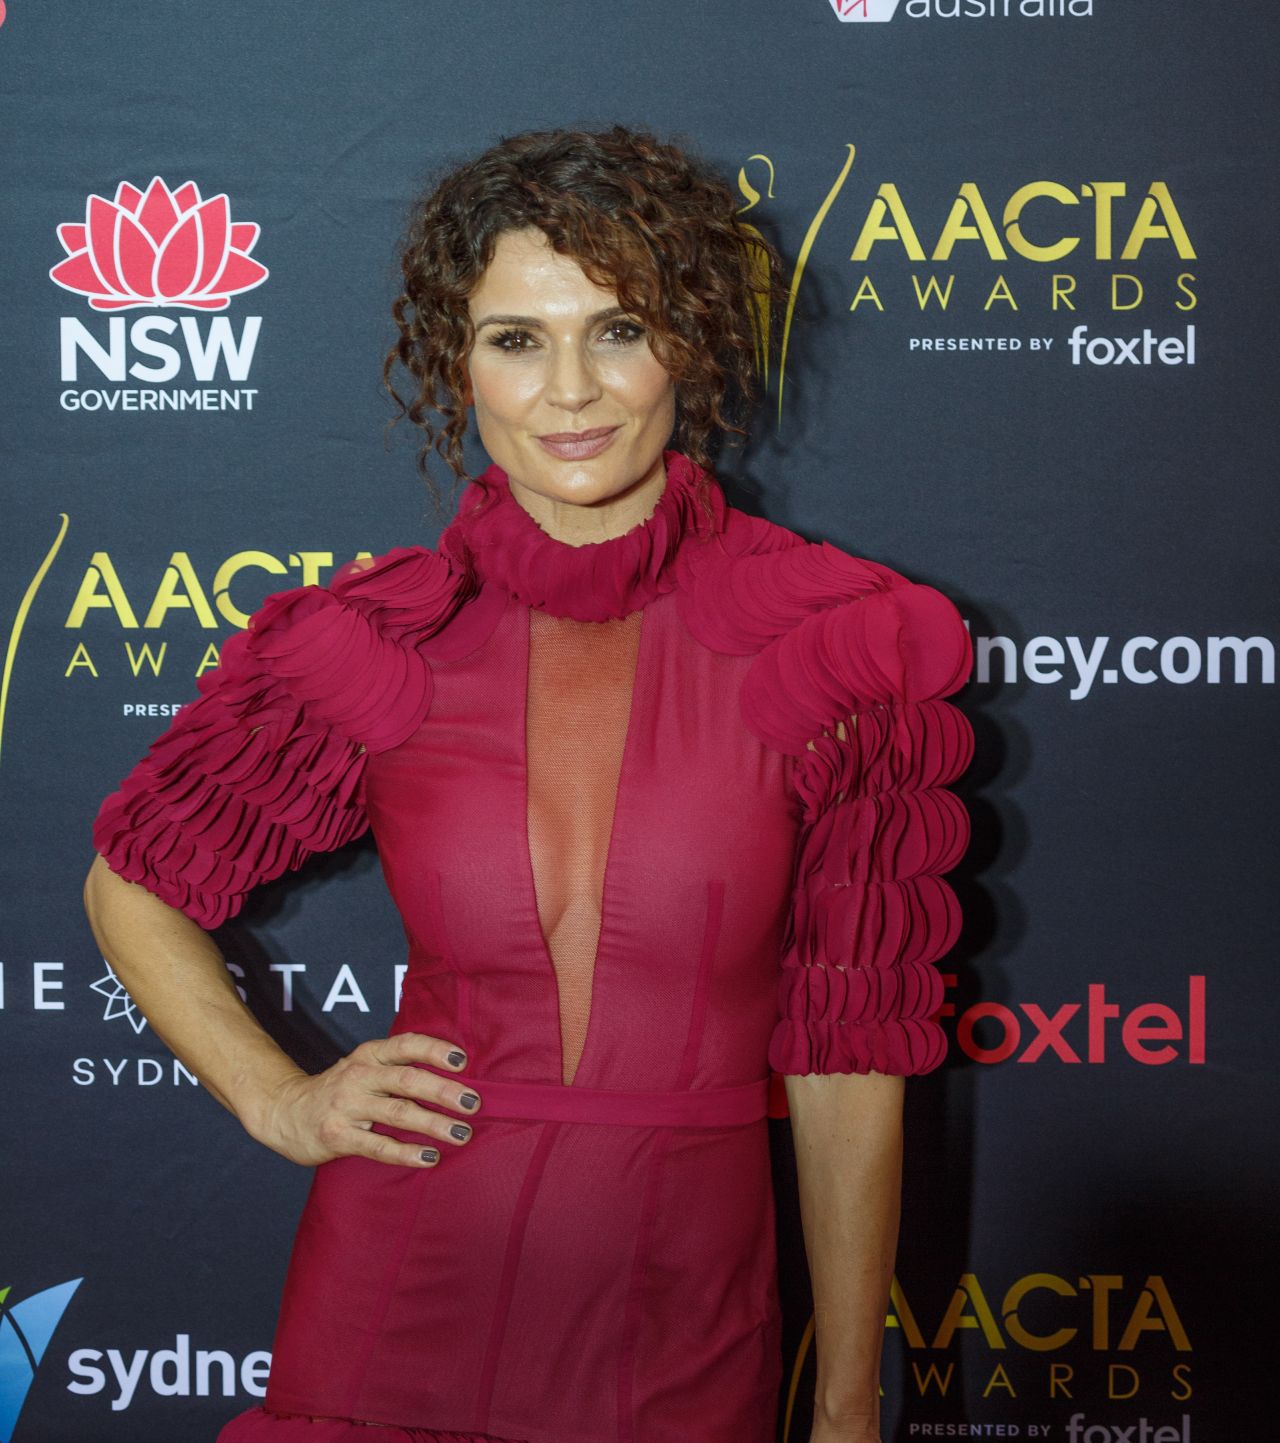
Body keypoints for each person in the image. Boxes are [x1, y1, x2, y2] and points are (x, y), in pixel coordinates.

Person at [83, 124, 974, 1443]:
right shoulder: (383, 644)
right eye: (515, 338)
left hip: (680, 1304)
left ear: (694, 345)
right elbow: (132, 886)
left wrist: (844, 1405)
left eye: (619, 329)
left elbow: (850, 1063)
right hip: (394, 1285)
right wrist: (283, 1100)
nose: (570, 390)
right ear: (458, 362)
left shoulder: (832, 649)